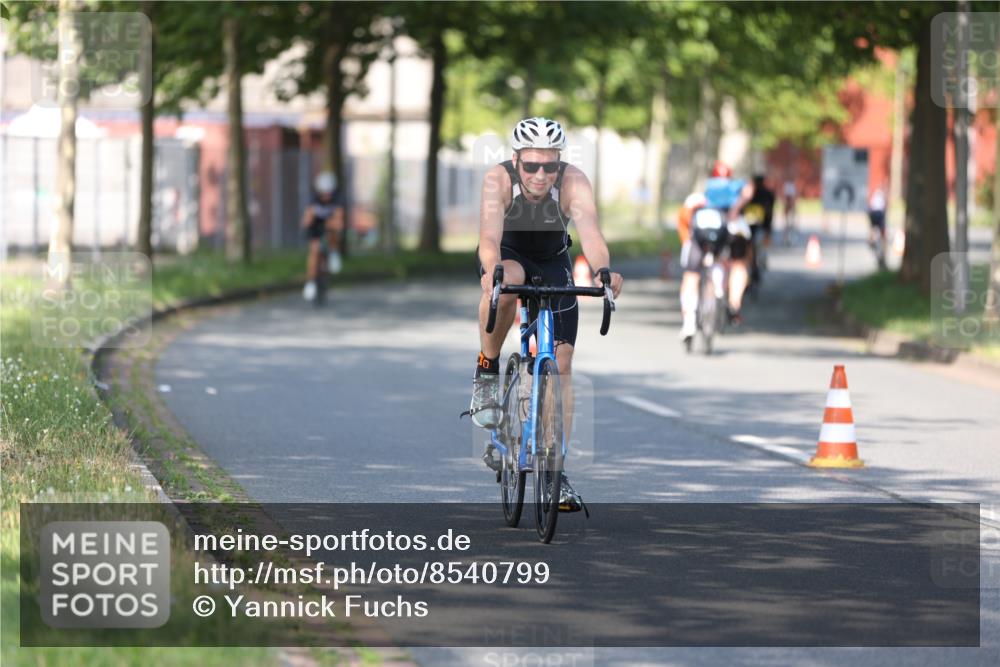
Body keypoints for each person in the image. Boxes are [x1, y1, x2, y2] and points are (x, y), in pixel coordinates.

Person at [468, 117, 624, 512]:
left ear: (559, 163)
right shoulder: (498, 179)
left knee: (563, 360)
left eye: (549, 166)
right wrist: (491, 271)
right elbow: (488, 236)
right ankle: (487, 367)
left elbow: (590, 231)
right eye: (531, 165)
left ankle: (555, 472)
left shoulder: (573, 182)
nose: (540, 175)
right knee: (507, 288)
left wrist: (603, 269)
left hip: (554, 262)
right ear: (516, 159)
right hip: (510, 258)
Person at [301, 172, 344, 301]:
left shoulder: (337, 199)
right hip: (315, 228)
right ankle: (311, 282)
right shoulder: (313, 199)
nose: (326, 196)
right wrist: (310, 218)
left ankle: (334, 253)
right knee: (314, 252)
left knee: (334, 232)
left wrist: (330, 223)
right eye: (324, 193)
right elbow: (306, 221)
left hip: (330, 227)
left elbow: (339, 221)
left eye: (329, 193)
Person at [867, 183, 888, 268]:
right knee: (883, 233)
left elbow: (871, 204)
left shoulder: (875, 193)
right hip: (879, 213)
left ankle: (871, 241)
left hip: (873, 212)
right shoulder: (882, 194)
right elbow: (884, 206)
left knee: (872, 228)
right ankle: (882, 245)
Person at [782, 178, 797, 245]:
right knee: (786, 224)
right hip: (788, 205)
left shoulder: (792, 185)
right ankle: (786, 239)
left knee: (791, 223)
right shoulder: (787, 186)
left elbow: (794, 196)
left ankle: (790, 238)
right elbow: (786, 197)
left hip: (791, 205)